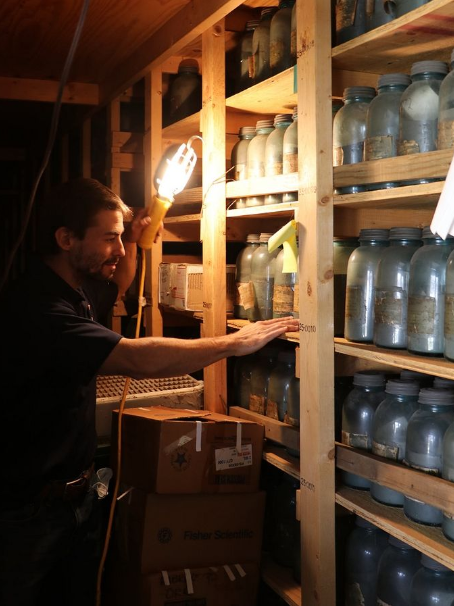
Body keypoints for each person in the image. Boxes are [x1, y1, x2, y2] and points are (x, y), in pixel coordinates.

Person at [0, 178, 299, 606]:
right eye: (109, 239)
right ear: (66, 238)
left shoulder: (71, 286)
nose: (119, 251)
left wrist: (137, 242)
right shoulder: (39, 310)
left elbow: (117, 284)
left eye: (120, 238)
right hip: (29, 514)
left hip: (73, 499)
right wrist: (234, 343)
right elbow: (139, 359)